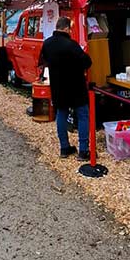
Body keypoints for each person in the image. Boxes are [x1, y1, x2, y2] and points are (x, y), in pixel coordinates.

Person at [39, 16, 92, 161]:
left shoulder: (47, 44)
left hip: (57, 86)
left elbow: (43, 62)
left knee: (61, 115)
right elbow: (87, 62)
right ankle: (83, 150)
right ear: (67, 28)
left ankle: (64, 147)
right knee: (82, 115)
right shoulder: (71, 45)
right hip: (76, 86)